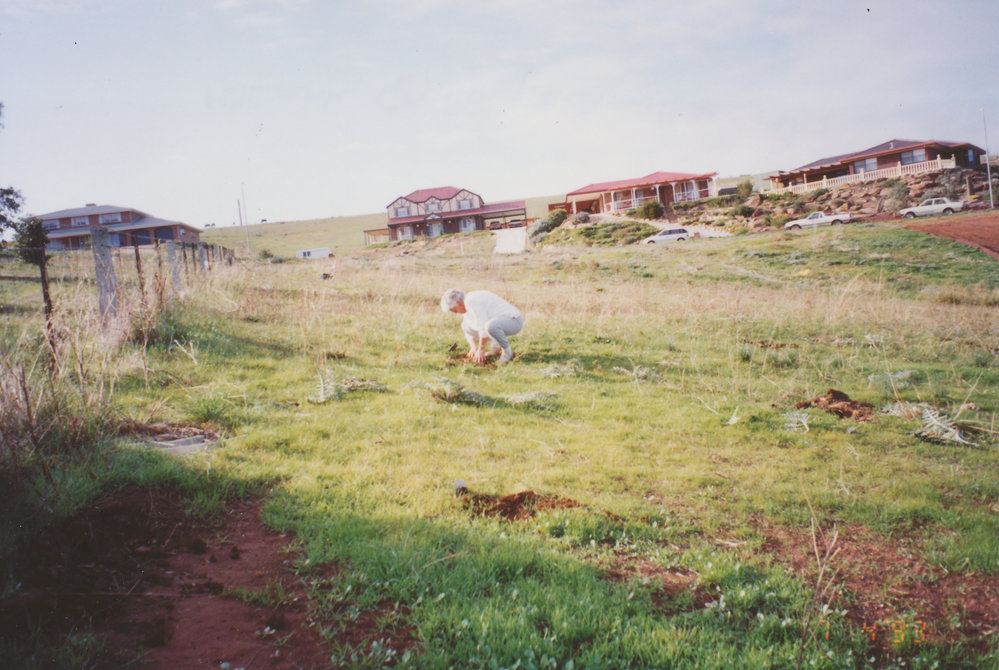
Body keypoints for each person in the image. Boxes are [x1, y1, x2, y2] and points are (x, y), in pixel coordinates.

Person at [440, 288, 523, 364]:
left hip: (514, 321)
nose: (456, 313)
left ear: (458, 303)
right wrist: (474, 347)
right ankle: (496, 346)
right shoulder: (466, 305)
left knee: (490, 326)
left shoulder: (471, 301)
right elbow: (468, 326)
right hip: (498, 322)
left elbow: (483, 327)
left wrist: (481, 349)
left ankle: (507, 352)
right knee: (465, 325)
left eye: (454, 310)